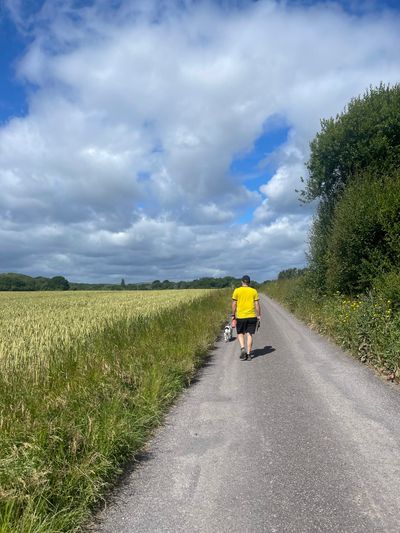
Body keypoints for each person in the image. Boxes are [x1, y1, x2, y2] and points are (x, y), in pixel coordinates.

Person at [231, 275, 261, 361]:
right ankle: (248, 354)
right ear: (249, 282)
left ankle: (242, 348)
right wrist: (259, 315)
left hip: (240, 316)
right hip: (252, 316)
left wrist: (233, 314)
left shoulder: (237, 291)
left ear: (242, 282)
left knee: (240, 333)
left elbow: (234, 304)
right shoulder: (254, 291)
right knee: (249, 334)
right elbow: (257, 305)